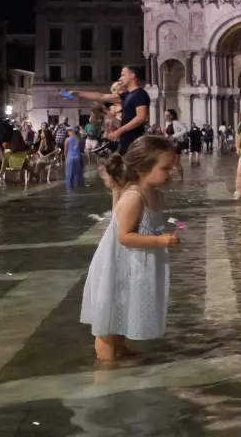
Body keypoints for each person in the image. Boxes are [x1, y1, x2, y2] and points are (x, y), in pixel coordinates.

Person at [79, 137, 181, 361]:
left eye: (172, 167)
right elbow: (124, 236)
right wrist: (160, 241)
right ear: (143, 168)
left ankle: (121, 349)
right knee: (108, 321)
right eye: (165, 168)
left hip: (135, 265)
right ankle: (106, 367)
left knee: (123, 308)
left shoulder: (156, 195)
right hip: (118, 265)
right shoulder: (134, 197)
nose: (171, 172)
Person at [75, 66, 150, 155]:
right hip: (126, 142)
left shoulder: (140, 94)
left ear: (132, 76)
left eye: (123, 75)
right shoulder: (126, 95)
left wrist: (119, 131)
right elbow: (101, 96)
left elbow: (140, 118)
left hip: (135, 143)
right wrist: (77, 93)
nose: (120, 78)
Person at [164, 110, 188, 180]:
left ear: (172, 116)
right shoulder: (167, 123)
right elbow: (167, 133)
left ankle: (181, 178)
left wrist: (174, 136)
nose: (166, 117)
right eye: (165, 115)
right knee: (170, 160)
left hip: (177, 143)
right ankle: (170, 177)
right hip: (170, 144)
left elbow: (185, 130)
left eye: (167, 115)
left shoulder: (176, 122)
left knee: (176, 162)